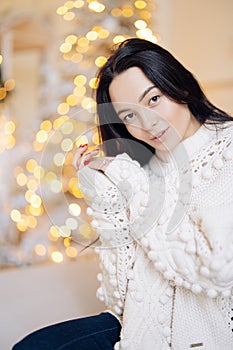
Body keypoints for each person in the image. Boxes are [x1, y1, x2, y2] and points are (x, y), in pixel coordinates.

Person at [13, 38, 233, 350]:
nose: (147, 123)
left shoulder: (227, 150)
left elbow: (219, 269)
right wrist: (105, 195)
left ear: (180, 86)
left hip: (205, 335)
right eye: (129, 115)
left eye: (153, 99)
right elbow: (121, 299)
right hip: (139, 329)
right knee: (34, 346)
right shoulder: (143, 168)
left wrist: (137, 186)